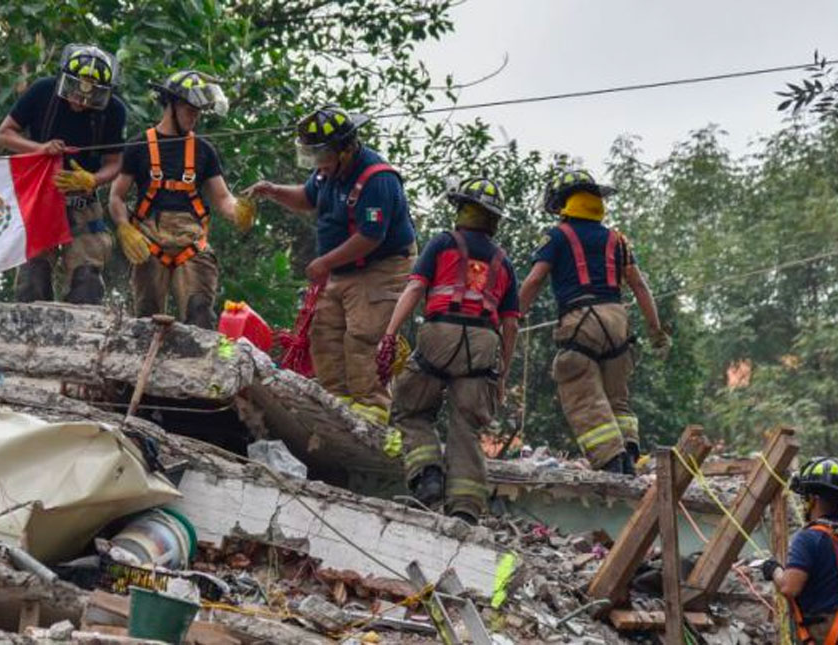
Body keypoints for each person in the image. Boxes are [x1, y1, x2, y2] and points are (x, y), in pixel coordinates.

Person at [246, 106, 415, 425]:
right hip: (341, 267)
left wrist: (325, 262)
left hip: (380, 266)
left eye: (321, 151)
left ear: (347, 147)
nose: (315, 160)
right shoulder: (327, 172)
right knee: (325, 332)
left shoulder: (377, 179)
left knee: (362, 334)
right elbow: (307, 198)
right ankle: (337, 401)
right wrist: (273, 191)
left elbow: (370, 236)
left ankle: (371, 409)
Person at [377, 177, 520, 523]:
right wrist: (502, 374)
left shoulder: (443, 243)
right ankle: (466, 509)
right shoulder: (504, 262)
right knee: (466, 428)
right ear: (494, 219)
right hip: (484, 344)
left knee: (411, 407)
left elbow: (414, 289)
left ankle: (427, 477)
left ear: (461, 210)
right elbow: (511, 324)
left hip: (439, 334)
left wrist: (390, 334)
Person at [517, 169, 669, 475]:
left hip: (581, 321)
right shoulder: (617, 239)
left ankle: (612, 461)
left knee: (579, 389)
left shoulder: (557, 236)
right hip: (617, 321)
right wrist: (656, 331)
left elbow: (534, 281)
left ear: (564, 204)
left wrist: (510, 318)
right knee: (617, 397)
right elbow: (640, 286)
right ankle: (627, 450)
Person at [107, 71, 255, 329]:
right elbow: (116, 197)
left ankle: (197, 366)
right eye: (189, 109)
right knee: (146, 320)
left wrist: (238, 211)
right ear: (172, 105)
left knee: (200, 314)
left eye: (198, 111)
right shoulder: (139, 145)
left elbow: (222, 198)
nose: (195, 117)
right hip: (149, 240)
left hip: (191, 241)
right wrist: (124, 228)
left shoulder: (204, 150)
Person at [0, 44, 127, 304]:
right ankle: (29, 336)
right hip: (40, 195)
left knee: (88, 277)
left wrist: (94, 180)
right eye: (74, 92)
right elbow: (4, 134)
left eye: (90, 97)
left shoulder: (114, 111)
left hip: (82, 200)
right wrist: (40, 149)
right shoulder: (43, 91)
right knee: (33, 274)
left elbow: (115, 162)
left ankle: (80, 336)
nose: (80, 100)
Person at [761, 457, 838, 645]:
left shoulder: (808, 538)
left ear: (813, 499)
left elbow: (790, 587)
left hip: (831, 635)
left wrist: (774, 570)